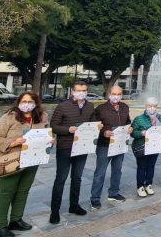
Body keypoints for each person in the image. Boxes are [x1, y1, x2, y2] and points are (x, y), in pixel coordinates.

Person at [0, 92, 49, 237]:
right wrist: (13, 142)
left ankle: (16, 219)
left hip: (32, 160)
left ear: (36, 103)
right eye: (24, 101)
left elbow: (47, 134)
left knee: (23, 191)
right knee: (5, 193)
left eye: (30, 101)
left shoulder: (42, 117)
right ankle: (0, 226)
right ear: (19, 102)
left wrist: (50, 140)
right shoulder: (9, 117)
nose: (27, 104)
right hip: (11, 161)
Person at [49, 81, 94, 224]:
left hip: (82, 147)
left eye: (84, 90)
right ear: (72, 91)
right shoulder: (62, 106)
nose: (82, 93)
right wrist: (67, 130)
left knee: (77, 178)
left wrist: (97, 126)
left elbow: (92, 123)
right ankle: (54, 211)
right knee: (60, 179)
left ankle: (74, 205)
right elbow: (53, 126)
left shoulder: (90, 106)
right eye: (79, 90)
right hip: (65, 147)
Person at [89, 86, 132, 210]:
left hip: (120, 144)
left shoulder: (125, 107)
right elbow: (95, 125)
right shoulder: (101, 109)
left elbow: (128, 121)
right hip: (104, 145)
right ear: (109, 94)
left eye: (119, 94)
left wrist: (130, 128)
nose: (116, 96)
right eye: (114, 93)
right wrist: (104, 132)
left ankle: (113, 193)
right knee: (100, 173)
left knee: (117, 170)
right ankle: (95, 199)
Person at [131, 97, 161, 197]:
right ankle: (140, 186)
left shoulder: (160, 118)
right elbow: (133, 133)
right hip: (142, 147)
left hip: (155, 147)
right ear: (146, 106)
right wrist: (141, 133)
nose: (152, 108)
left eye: (154, 106)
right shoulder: (139, 119)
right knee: (142, 167)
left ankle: (148, 184)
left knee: (151, 166)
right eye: (149, 106)